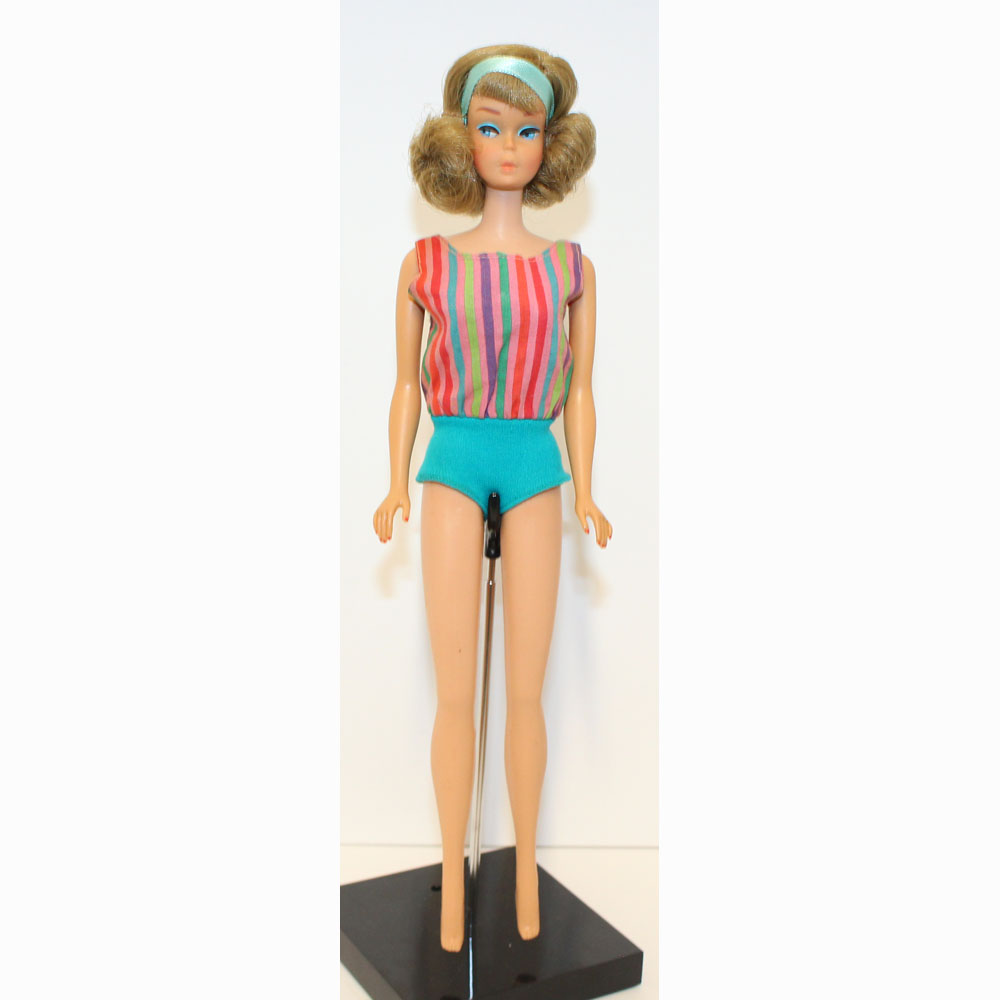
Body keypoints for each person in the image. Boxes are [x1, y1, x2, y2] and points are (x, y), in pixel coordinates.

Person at [372, 43, 612, 953]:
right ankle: (450, 872)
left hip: (537, 463)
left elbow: (581, 390)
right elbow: (406, 384)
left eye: (527, 130)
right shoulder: (425, 263)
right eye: (489, 126)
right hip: (453, 461)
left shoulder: (573, 268)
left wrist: (587, 490)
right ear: (460, 139)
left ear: (550, 144)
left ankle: (525, 876)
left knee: (526, 692)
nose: (508, 147)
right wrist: (393, 481)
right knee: (455, 694)